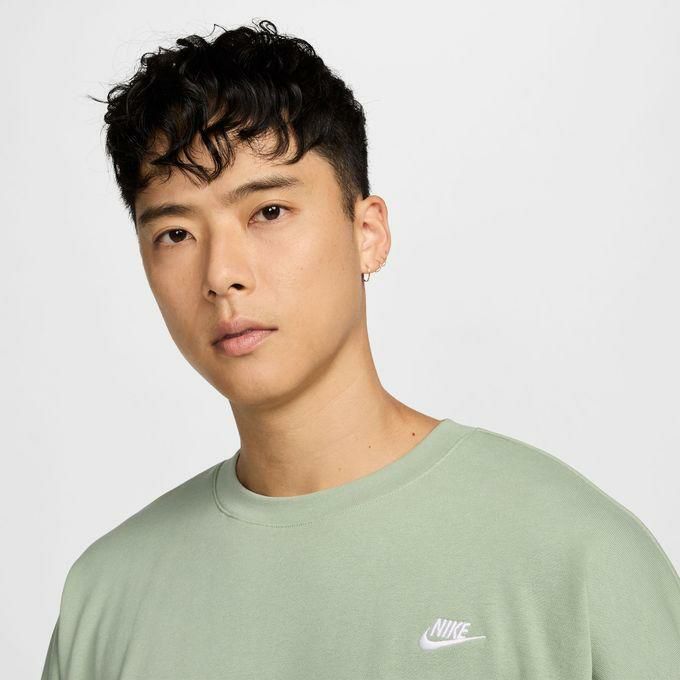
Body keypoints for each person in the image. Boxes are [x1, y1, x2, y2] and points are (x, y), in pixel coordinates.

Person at [41, 19, 680, 680]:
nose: (222, 274)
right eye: (175, 233)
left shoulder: (575, 556)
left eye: (268, 213)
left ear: (367, 232)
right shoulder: (104, 600)